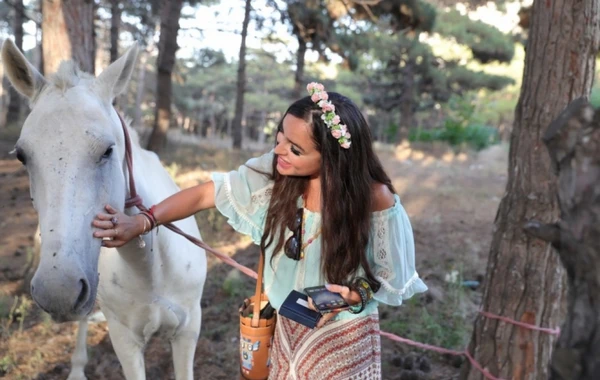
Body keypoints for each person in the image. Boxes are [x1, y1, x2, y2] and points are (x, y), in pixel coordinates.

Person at [93, 82, 427, 379]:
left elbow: (389, 276)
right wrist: (143, 222)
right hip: (287, 328)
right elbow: (207, 192)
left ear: (333, 158)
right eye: (280, 137)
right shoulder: (277, 170)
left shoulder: (374, 198)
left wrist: (355, 295)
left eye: (296, 149)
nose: (280, 151)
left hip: (341, 339)